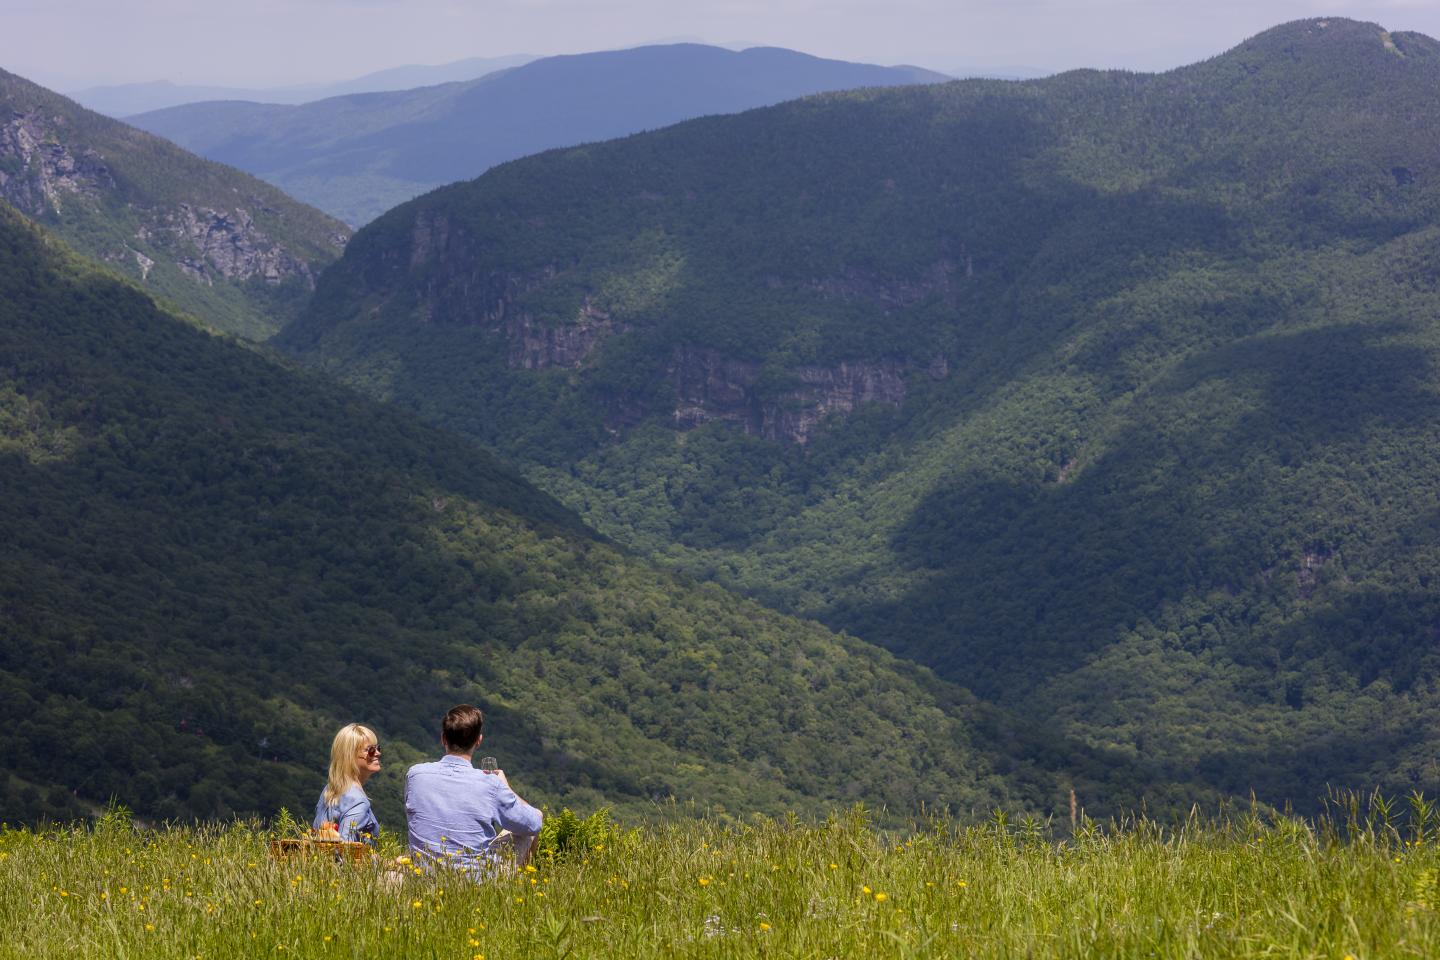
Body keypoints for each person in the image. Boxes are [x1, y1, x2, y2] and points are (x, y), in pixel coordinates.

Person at [405, 704, 542, 876]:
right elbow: (534, 824)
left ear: (443, 739)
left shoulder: (415, 775)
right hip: (475, 881)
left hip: (424, 875)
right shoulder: (490, 784)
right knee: (534, 817)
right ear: (479, 740)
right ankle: (518, 889)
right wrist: (506, 788)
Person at [313, 722, 382, 844]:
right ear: (351, 756)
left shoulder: (329, 790)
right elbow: (346, 850)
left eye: (378, 748)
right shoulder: (358, 800)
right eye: (370, 750)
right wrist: (389, 863)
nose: (378, 753)